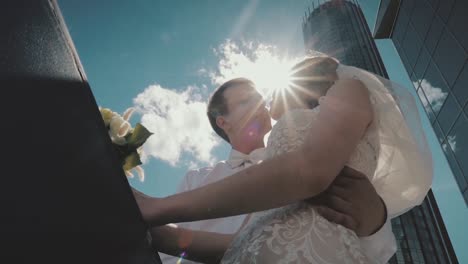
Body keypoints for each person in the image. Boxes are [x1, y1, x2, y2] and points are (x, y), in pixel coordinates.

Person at [136, 55, 432, 263]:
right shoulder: (197, 180)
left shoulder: (308, 145)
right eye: (247, 101)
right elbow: (240, 242)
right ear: (222, 121)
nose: (262, 104)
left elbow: (310, 171)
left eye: (260, 96)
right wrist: (156, 233)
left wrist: (375, 221)